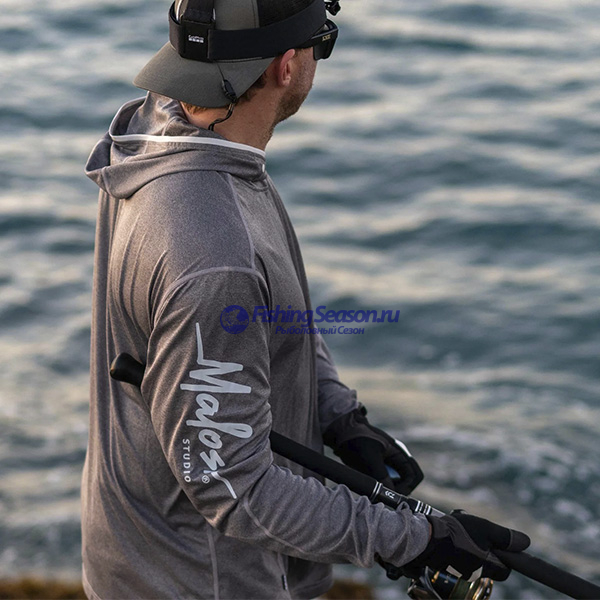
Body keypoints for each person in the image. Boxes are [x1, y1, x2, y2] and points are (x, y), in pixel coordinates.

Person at [82, 0, 530, 598]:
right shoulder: (215, 252)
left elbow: (261, 319)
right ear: (287, 66)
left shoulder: (166, 133)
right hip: (197, 581)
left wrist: (339, 416)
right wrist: (414, 539)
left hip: (137, 550)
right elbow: (233, 486)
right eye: (324, 41)